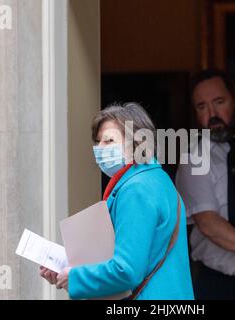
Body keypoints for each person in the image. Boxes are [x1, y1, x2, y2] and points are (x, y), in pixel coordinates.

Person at [40, 102, 194, 300]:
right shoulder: (156, 179)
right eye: (97, 141)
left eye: (109, 141)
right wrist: (68, 268)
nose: (99, 149)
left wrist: (75, 277)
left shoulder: (137, 189)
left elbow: (126, 270)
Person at [176, 69, 235, 300]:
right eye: (202, 107)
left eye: (219, 102)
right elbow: (209, 224)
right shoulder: (193, 157)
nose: (212, 114)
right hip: (219, 285)